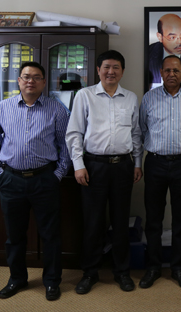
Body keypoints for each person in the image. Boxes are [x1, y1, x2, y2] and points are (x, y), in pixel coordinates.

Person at [0, 61, 70, 302]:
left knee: (50, 235)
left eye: (36, 77)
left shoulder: (56, 109)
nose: (31, 81)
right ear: (19, 81)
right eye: (26, 76)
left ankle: (52, 281)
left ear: (44, 82)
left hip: (45, 180)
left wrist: (58, 174)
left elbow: (66, 145)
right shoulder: (4, 107)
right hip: (11, 180)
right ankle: (17, 278)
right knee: (14, 235)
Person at [65, 50, 143, 295]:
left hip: (123, 166)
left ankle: (122, 272)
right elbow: (74, 133)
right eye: (106, 67)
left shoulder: (130, 97)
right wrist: (78, 165)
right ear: (98, 70)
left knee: (120, 222)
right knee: (93, 222)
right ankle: (90, 272)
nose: (111, 72)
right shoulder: (85, 95)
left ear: (122, 71)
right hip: (93, 166)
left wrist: (137, 163)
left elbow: (136, 133)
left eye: (116, 67)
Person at [138, 55, 181, 290]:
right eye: (167, 70)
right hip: (155, 163)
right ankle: (153, 267)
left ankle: (178, 268)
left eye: (176, 70)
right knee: (153, 219)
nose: (171, 74)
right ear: (161, 73)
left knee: (180, 219)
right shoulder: (149, 98)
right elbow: (142, 130)